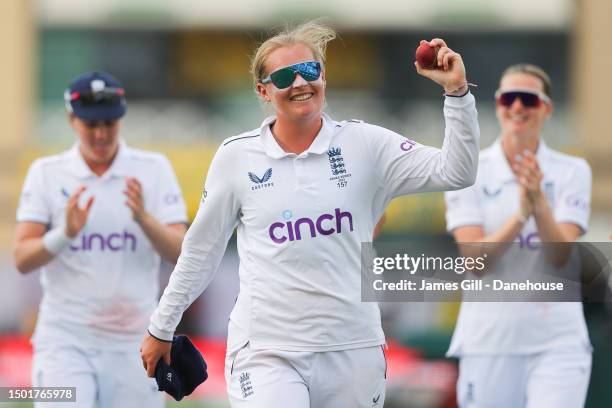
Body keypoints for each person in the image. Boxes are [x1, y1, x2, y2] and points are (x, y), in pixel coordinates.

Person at [141, 21, 479, 408]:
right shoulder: (236, 157)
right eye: (285, 75)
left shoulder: (365, 143)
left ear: (324, 76)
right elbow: (200, 252)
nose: (301, 82)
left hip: (354, 348)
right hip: (268, 350)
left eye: (310, 71)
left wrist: (457, 92)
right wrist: (161, 326)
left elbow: (458, 171)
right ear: (263, 90)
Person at [14, 71, 188, 408]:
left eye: (109, 123)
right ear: (71, 119)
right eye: (90, 124)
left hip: (136, 342)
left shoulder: (153, 168)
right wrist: (65, 233)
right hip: (64, 341)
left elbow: (182, 251)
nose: (100, 134)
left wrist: (143, 218)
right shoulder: (46, 172)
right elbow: (22, 257)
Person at [444, 64, 592, 407]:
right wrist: (520, 215)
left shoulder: (573, 170)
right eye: (509, 98)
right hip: (489, 341)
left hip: (558, 342)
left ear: (547, 108)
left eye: (528, 98)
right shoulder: (469, 171)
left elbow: (560, 256)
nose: (518, 107)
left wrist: (539, 203)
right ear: (497, 104)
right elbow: (475, 259)